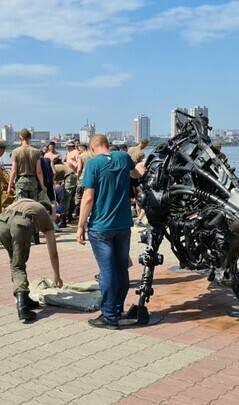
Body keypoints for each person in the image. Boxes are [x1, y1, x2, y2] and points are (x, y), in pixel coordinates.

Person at [76, 134, 146, 330]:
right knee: (121, 269)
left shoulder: (93, 164)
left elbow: (88, 198)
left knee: (107, 272)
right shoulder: (123, 158)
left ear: (92, 148)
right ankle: (117, 309)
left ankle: (109, 317)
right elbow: (135, 175)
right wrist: (140, 169)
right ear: (107, 145)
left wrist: (80, 225)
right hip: (123, 225)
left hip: (101, 227)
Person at [0, 198, 63, 322]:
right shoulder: (44, 214)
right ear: (49, 213)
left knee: (14, 261)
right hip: (20, 222)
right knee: (18, 265)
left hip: (1, 220)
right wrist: (57, 276)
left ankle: (24, 296)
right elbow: (53, 253)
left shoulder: (27, 202)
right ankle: (22, 307)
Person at [8, 128, 48, 203]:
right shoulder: (36, 152)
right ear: (30, 138)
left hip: (21, 181)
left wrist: (9, 186)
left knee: (22, 206)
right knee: (33, 206)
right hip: (33, 181)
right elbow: (39, 171)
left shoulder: (15, 152)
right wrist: (42, 185)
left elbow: (13, 171)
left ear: (20, 137)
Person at [128, 139, 149, 227]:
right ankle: (139, 218)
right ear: (143, 144)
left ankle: (134, 217)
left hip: (127, 174)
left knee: (131, 197)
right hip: (135, 174)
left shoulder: (131, 149)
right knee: (139, 197)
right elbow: (139, 166)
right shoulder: (141, 153)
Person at [52, 158, 75, 229]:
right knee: (68, 198)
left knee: (65, 198)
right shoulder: (54, 167)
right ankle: (69, 215)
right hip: (69, 177)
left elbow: (54, 176)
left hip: (69, 177)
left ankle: (63, 221)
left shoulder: (51, 169)